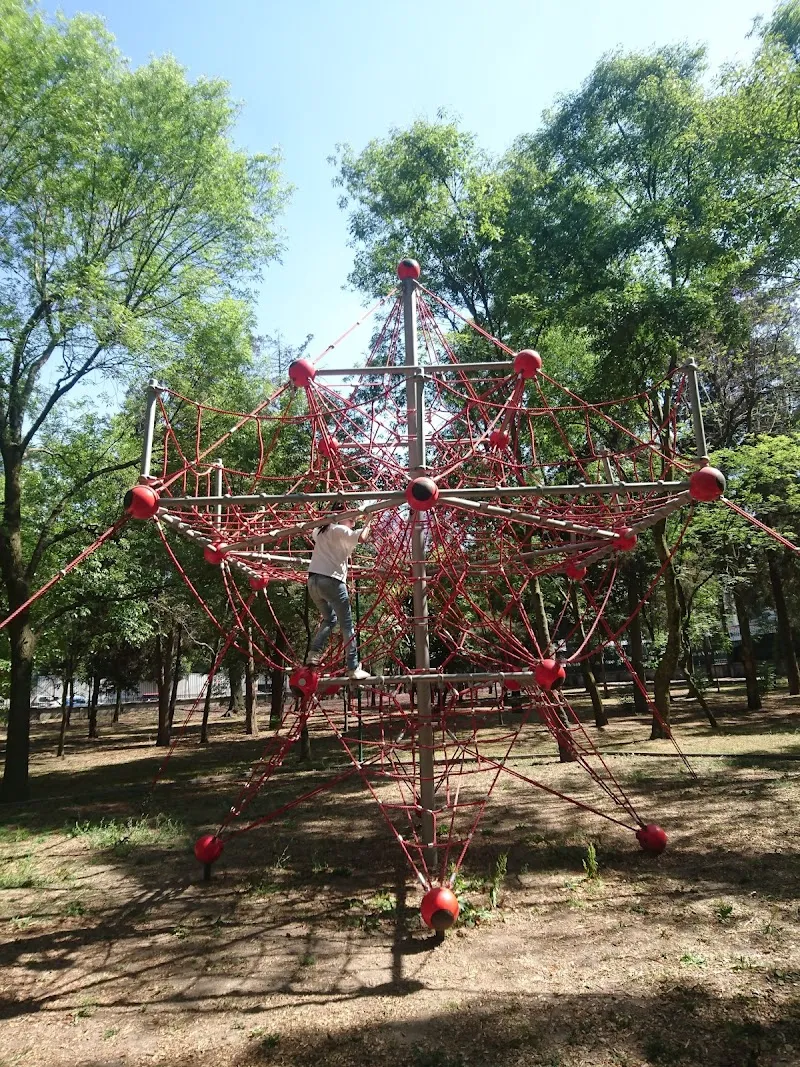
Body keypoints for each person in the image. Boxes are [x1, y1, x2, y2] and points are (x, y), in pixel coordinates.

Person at [305, 501, 371, 679]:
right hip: (332, 581)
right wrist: (369, 520)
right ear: (341, 517)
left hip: (313, 581)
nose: (353, 523)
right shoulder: (339, 530)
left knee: (329, 619)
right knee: (347, 625)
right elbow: (363, 537)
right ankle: (353, 667)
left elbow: (350, 536)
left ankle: (313, 654)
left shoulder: (319, 531)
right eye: (351, 519)